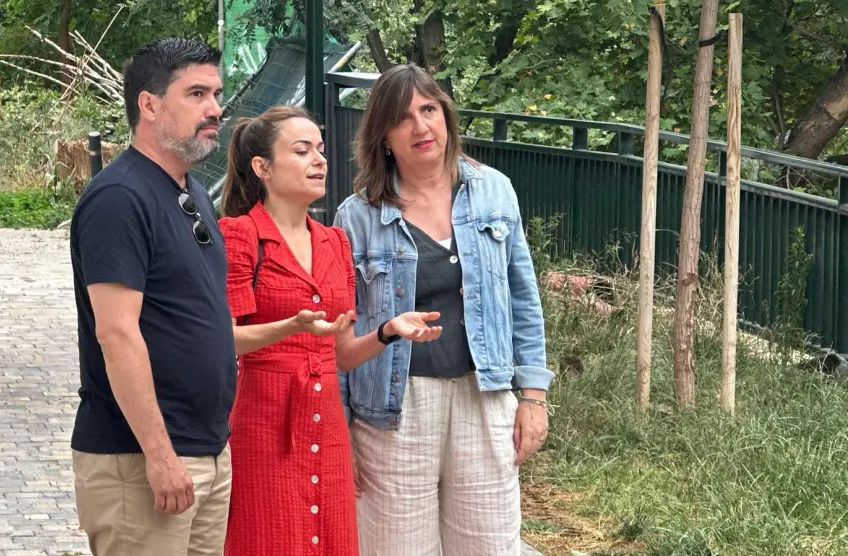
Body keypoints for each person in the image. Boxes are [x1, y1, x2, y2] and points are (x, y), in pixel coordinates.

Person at [333, 63, 554, 555]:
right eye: (402, 118)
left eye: (428, 110)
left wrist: (533, 398)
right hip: (394, 411)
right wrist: (341, 428)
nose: (420, 126)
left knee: (491, 545)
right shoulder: (358, 216)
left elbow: (524, 298)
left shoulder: (494, 190)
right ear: (383, 137)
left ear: (446, 116)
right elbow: (343, 329)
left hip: (484, 395)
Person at [217, 105, 443, 556]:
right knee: (269, 540)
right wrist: (288, 328)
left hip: (327, 421)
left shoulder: (334, 241)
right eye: (302, 151)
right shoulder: (239, 235)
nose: (320, 160)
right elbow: (222, 341)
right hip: (265, 418)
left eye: (320, 149)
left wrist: (388, 331)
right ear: (262, 167)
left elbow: (340, 354)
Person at [68, 38, 235, 555]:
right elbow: (117, 334)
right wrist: (160, 454)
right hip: (141, 459)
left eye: (216, 94)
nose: (215, 109)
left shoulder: (192, 192)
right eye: (197, 94)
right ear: (149, 104)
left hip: (205, 453)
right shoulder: (120, 198)